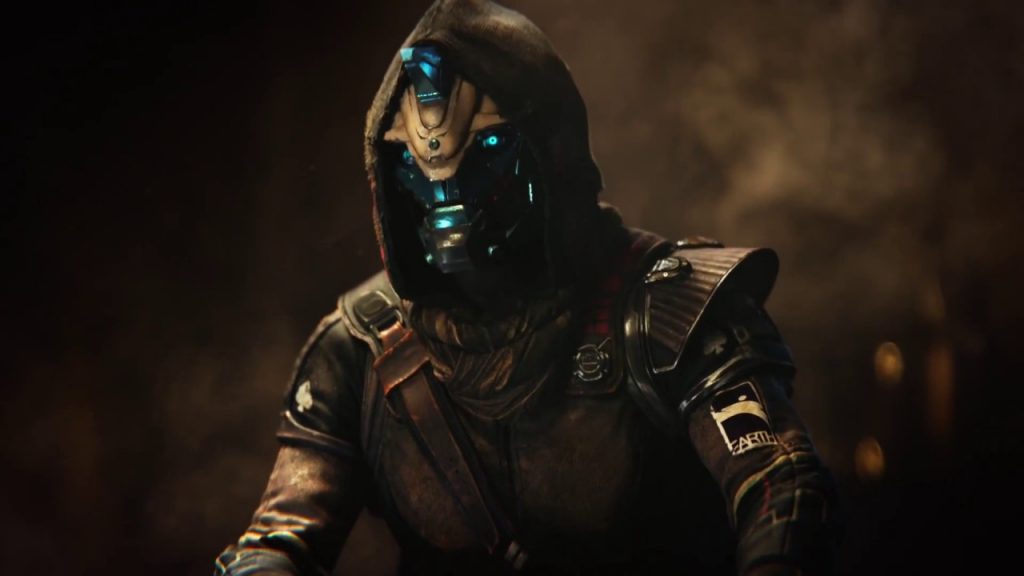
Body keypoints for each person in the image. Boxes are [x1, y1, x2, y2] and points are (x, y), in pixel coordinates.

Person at [215, 1, 839, 574]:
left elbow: (781, 489)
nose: (448, 197)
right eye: (417, 167)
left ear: (553, 153)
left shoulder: (671, 310)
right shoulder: (362, 348)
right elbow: (277, 544)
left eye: (487, 152)